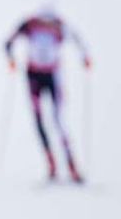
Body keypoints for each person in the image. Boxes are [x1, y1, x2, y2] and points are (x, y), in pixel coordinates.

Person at [5, 10, 90, 183]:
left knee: (58, 121)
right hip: (33, 76)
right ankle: (51, 163)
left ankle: (72, 166)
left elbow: (77, 39)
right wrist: (11, 59)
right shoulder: (30, 23)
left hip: (52, 76)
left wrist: (85, 57)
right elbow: (7, 43)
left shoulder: (59, 23)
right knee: (39, 120)